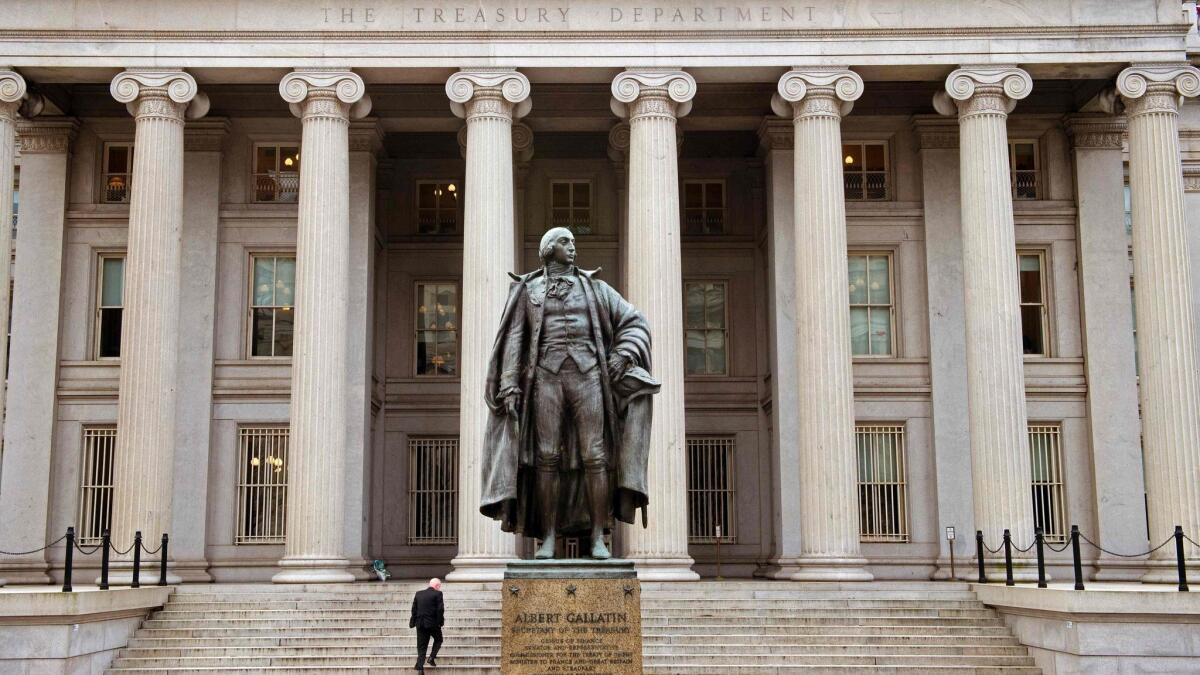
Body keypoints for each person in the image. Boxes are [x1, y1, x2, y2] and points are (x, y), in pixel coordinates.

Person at [479, 227, 660, 559]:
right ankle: (546, 537)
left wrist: (622, 353)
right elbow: (515, 338)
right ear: (549, 249)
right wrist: (508, 383)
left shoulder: (596, 289)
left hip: (589, 376)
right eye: (566, 242)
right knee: (546, 457)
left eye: (574, 243)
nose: (573, 248)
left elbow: (636, 322)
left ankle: (597, 537)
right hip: (545, 379)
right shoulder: (527, 290)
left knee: (596, 456)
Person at [410, 578, 444, 671]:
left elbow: (414, 610)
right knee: (439, 639)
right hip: (433, 624)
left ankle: (420, 668)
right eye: (439, 586)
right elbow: (440, 610)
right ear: (437, 586)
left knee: (421, 646)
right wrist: (440, 622)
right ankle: (431, 657)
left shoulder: (418, 593)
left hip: (420, 624)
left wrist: (413, 622)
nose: (439, 588)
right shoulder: (438, 594)